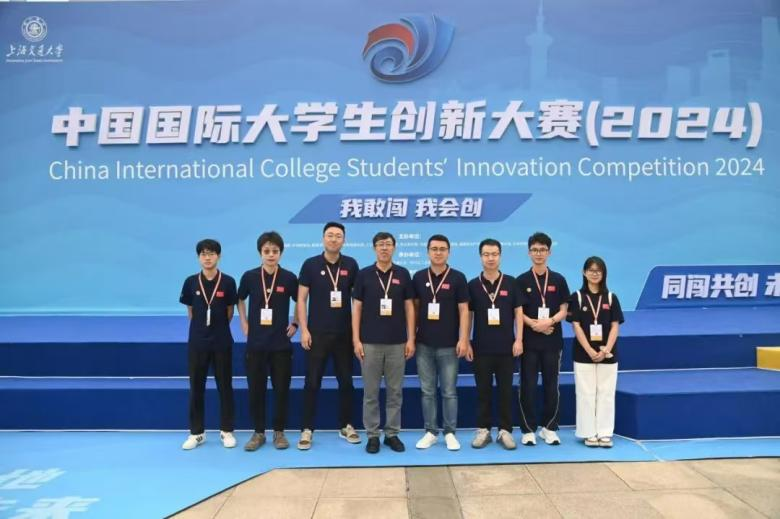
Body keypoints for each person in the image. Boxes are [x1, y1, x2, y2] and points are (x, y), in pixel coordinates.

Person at [295, 222, 361, 450]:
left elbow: (357, 302)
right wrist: (304, 329)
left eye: (338, 236)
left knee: (346, 382)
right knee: (312, 382)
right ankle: (307, 428)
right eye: (330, 235)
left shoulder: (351, 264)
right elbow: (301, 299)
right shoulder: (311, 265)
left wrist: (357, 334)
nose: (334, 239)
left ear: (344, 240)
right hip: (317, 334)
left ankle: (346, 425)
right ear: (323, 238)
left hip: (344, 334)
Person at [352, 231, 415, 454]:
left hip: (397, 343)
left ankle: (392, 434)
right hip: (369, 343)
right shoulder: (364, 275)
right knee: (370, 393)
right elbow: (357, 308)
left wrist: (411, 338)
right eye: (380, 244)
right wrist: (356, 339)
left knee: (395, 392)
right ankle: (372, 435)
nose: (384, 248)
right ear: (374, 248)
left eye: (388, 244)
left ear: (394, 248)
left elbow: (409, 307)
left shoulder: (403, 274)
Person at [238, 231, 299, 451]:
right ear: (260, 253)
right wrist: (244, 323)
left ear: (280, 253)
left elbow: (301, 300)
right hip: (256, 344)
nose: (271, 255)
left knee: (281, 390)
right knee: (256, 390)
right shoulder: (250, 276)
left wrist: (295, 323)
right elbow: (240, 299)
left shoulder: (289, 278)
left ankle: (279, 432)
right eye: (266, 251)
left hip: (281, 345)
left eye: (275, 251)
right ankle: (258, 433)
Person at [412, 234, 470, 451]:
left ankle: (450, 432)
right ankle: (430, 432)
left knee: (448, 391)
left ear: (449, 252)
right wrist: (411, 338)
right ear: (428, 252)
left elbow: (464, 310)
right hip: (423, 345)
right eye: (434, 249)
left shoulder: (458, 277)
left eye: (442, 249)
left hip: (449, 345)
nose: (438, 253)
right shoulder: (419, 277)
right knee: (427, 391)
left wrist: (463, 339)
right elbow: (414, 309)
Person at [179, 239, 238, 450]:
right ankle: (197, 433)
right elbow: (191, 312)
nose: (207, 257)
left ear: (218, 256)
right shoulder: (190, 282)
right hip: (197, 342)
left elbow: (230, 311)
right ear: (198, 257)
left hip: (221, 341)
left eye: (211, 253)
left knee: (225, 386)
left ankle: (227, 431)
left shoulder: (228, 282)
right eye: (203, 254)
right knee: (196, 387)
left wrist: (216, 329)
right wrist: (202, 329)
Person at [467, 238, 524, 450]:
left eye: (494, 254)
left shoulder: (511, 282)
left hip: (506, 348)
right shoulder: (473, 285)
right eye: (486, 254)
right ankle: (483, 430)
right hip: (481, 348)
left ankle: (505, 431)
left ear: (500, 256)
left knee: (505, 391)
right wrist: (467, 341)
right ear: (480, 257)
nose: (490, 258)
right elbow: (468, 316)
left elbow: (519, 313)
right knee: (483, 391)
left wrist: (519, 339)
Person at [516, 232, 570, 446]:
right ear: (529, 252)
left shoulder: (558, 279)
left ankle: (549, 428)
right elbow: (518, 311)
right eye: (535, 250)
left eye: (543, 250)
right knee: (527, 385)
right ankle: (528, 429)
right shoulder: (521, 280)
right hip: (529, 342)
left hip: (552, 341)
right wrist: (534, 324)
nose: (539, 253)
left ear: (549, 252)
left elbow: (564, 309)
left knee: (551, 385)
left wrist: (550, 322)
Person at [567, 256, 624, 448]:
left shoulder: (611, 298)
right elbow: (576, 326)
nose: (594, 273)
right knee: (585, 393)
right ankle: (588, 432)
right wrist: (590, 350)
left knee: (606, 393)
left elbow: (615, 326)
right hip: (584, 354)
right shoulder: (577, 297)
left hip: (608, 354)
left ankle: (605, 432)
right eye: (591, 270)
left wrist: (606, 348)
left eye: (598, 270)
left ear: (604, 274)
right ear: (584, 273)